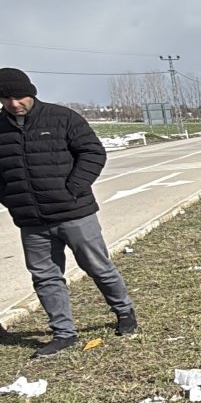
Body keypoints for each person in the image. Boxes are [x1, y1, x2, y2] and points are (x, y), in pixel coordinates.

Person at [0, 68, 137, 358]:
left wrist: (72, 188)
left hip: (75, 213)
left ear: (32, 93)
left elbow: (93, 152)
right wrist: (11, 199)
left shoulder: (62, 118)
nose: (14, 104)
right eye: (6, 98)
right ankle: (63, 333)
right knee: (45, 277)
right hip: (32, 221)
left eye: (20, 96)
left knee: (98, 266)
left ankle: (125, 313)